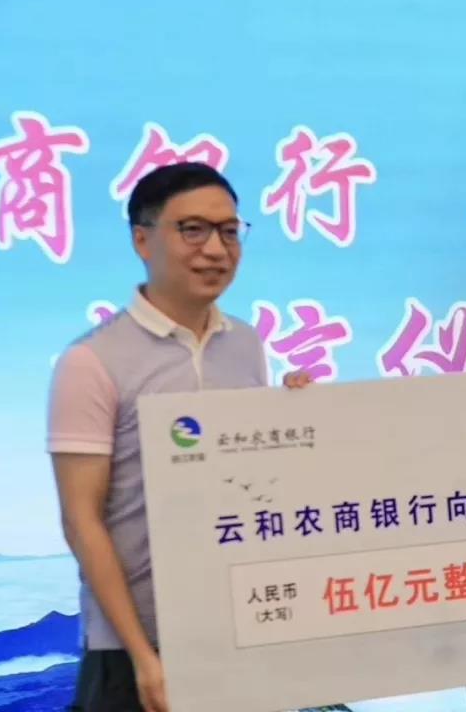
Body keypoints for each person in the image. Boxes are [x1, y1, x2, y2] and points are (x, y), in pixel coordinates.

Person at [47, 162, 310, 712]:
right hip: (133, 650)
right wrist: (143, 656)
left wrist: (300, 419)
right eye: (193, 230)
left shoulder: (245, 344)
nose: (216, 249)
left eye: (230, 231)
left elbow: (248, 482)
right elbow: (81, 521)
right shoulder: (91, 361)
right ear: (142, 240)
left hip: (233, 627)